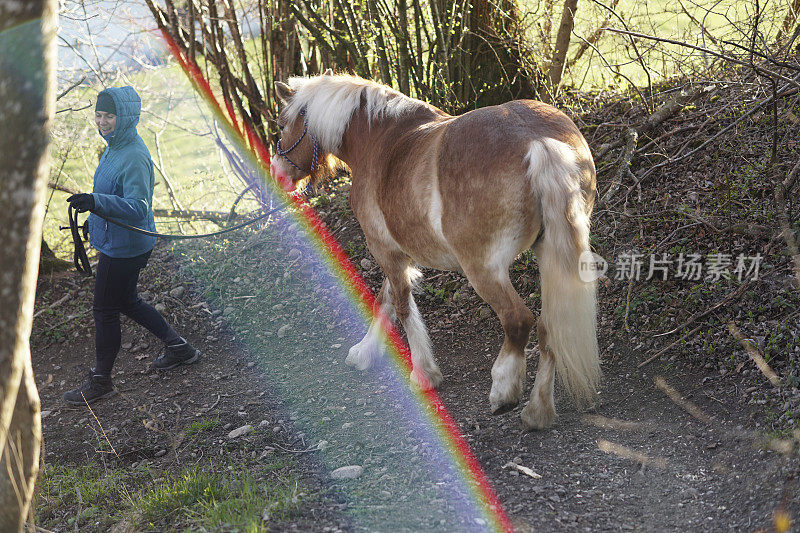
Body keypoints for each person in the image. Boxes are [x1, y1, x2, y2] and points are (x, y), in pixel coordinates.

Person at [62, 86, 200, 406]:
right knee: (126, 301)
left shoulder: (134, 155)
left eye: (109, 115)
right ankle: (180, 348)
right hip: (119, 240)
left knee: (105, 308)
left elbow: (138, 207)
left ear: (123, 117)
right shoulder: (113, 147)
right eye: (98, 114)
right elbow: (113, 197)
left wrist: (95, 202)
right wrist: (93, 217)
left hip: (125, 247)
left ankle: (101, 381)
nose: (103, 121)